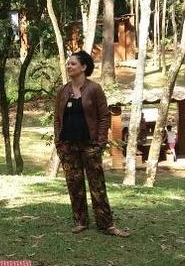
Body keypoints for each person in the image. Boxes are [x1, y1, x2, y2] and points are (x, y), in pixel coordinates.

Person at [53, 50, 130, 237]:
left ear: (84, 67)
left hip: (90, 145)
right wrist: (58, 142)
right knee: (74, 184)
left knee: (97, 184)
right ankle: (80, 221)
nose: (69, 66)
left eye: (73, 64)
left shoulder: (94, 89)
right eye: (68, 64)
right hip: (68, 146)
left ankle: (106, 224)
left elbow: (104, 117)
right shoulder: (63, 91)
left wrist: (100, 142)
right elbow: (57, 119)